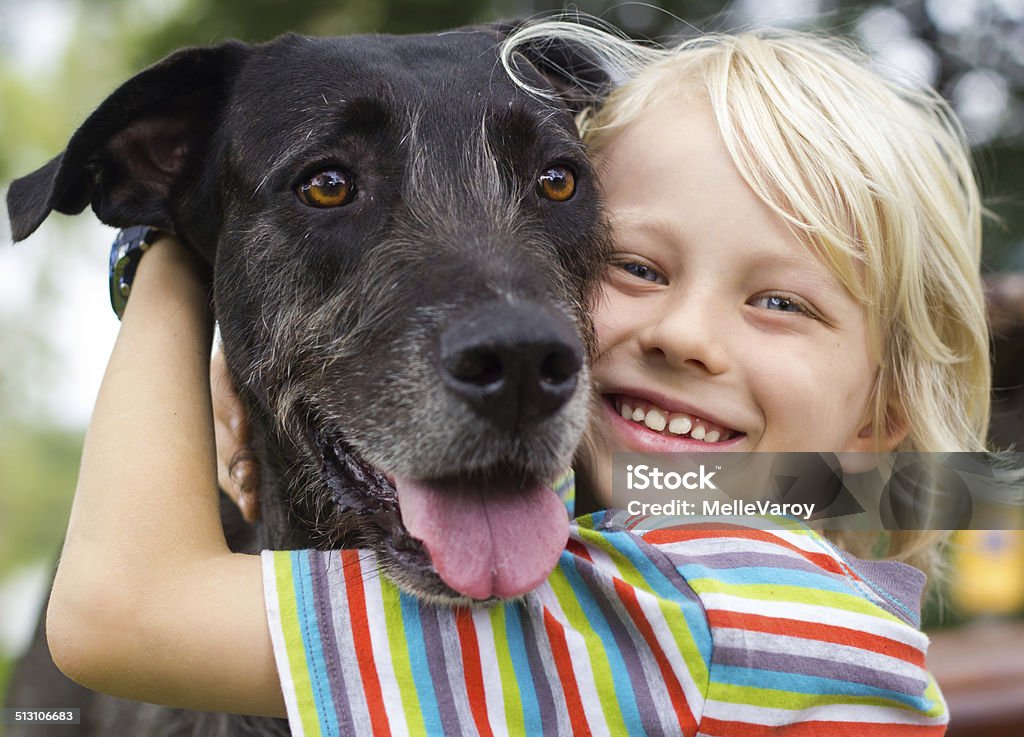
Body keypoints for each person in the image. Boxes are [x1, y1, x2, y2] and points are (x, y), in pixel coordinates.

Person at [44, 22, 991, 736]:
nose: (688, 337)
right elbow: (908, 474)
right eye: (643, 268)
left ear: (880, 414)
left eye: (552, 188)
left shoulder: (683, 628)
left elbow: (118, 611)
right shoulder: (809, 561)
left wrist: (166, 260)